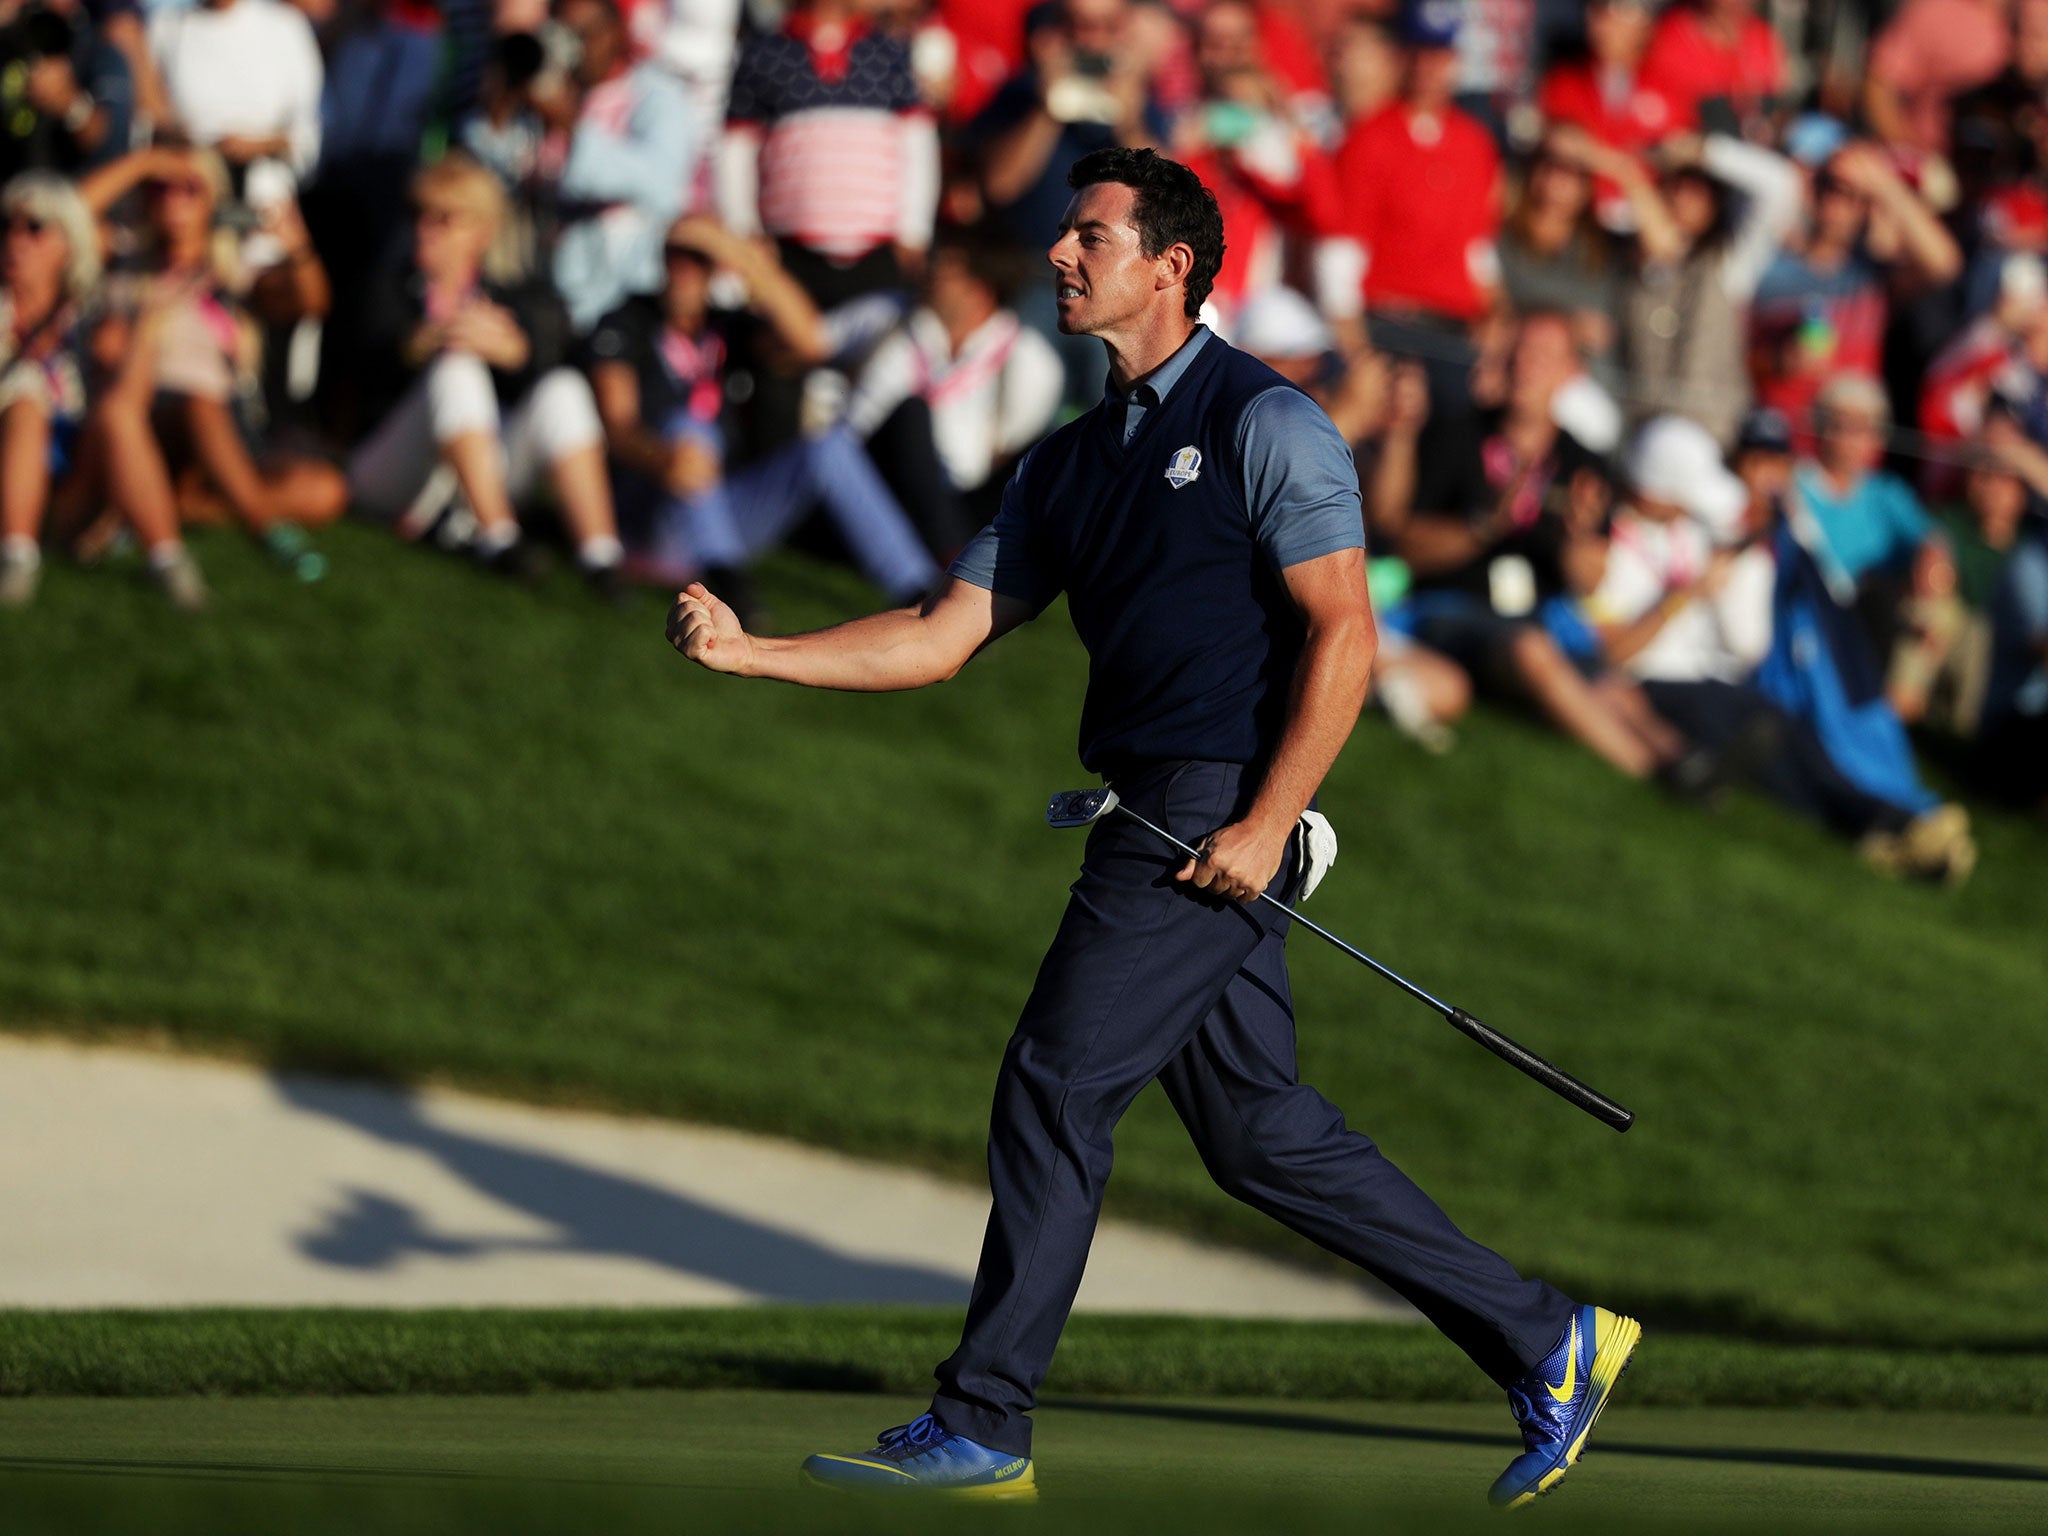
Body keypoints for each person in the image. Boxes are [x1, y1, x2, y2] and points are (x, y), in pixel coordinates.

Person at [668, 145, 1640, 1507]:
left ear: (1172, 265)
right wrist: (756, 654)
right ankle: (1551, 1337)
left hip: (1206, 808)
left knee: (1057, 1081)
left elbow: (1344, 638)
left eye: (1092, 237)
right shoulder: (1066, 464)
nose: (1061, 256)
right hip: (1157, 804)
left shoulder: (1269, 419)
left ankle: (985, 1417)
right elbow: (943, 635)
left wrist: (1268, 819)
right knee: (1257, 1134)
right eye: (1066, 238)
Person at [586, 212, 938, 605]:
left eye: (699, 259)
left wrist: (749, 263)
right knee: (691, 427)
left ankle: (917, 587)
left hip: (723, 503)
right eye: (677, 256)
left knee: (830, 445)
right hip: (650, 509)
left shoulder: (727, 327)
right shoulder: (628, 320)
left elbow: (811, 342)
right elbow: (617, 428)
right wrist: (663, 459)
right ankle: (726, 580)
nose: (685, 270)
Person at [349, 151, 626, 592]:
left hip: (479, 470)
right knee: (456, 366)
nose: (425, 228)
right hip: (393, 470)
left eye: (443, 218)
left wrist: (516, 355)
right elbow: (368, 368)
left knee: (564, 387)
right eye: (419, 214)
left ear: (480, 231)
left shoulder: (512, 296)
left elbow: (543, 369)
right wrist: (431, 339)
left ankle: (601, 556)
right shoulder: (390, 283)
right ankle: (499, 539)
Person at [81, 142, 347, 577]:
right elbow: (69, 214)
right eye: (161, 189)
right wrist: (145, 161)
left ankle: (171, 507)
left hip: (227, 435)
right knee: (198, 401)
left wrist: (297, 248)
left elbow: (312, 303)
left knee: (326, 490)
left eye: (190, 189)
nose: (173, 200)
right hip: (148, 421)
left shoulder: (232, 273)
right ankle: (264, 527)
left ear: (213, 199)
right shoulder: (126, 258)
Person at [0, 169, 205, 608]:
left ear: (69, 244)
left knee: (115, 413)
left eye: (35, 228)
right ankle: (16, 557)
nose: (17, 239)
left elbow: (129, 403)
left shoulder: (93, 315)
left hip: (78, 487)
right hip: (11, 469)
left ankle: (167, 559)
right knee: (26, 401)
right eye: (8, 226)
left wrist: (141, 336)